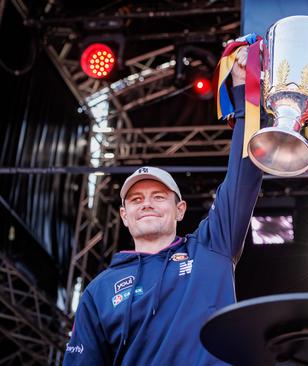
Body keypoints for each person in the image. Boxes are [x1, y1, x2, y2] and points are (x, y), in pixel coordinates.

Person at [63, 46, 263, 365]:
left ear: (180, 209)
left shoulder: (212, 247)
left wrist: (243, 92)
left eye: (159, 197)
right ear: (124, 216)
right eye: (137, 200)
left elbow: (246, 171)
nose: (147, 205)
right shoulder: (99, 291)